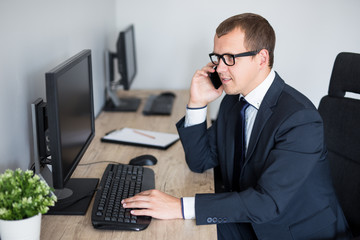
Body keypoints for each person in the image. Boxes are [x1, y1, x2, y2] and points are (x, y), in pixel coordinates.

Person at [122, 13, 352, 239]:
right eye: (217, 57)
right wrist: (197, 103)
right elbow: (200, 160)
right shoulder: (234, 101)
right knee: (159, 228)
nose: (220, 68)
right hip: (247, 218)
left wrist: (179, 207)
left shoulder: (300, 119)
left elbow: (267, 203)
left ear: (262, 58)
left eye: (230, 58)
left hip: (290, 230)